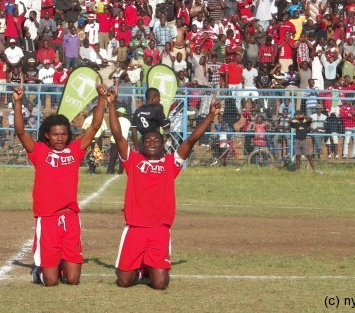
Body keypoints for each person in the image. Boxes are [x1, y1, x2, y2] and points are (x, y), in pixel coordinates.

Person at [109, 88, 221, 290]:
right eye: (148, 141)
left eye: (156, 140)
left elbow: (191, 140)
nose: (151, 142)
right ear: (142, 146)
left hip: (159, 230)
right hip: (135, 229)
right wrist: (111, 104)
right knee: (124, 282)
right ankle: (139, 267)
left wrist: (211, 115)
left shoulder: (170, 163)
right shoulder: (133, 161)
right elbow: (118, 136)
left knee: (160, 284)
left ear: (163, 145)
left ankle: (146, 267)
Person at [12, 82, 107, 287]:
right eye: (55, 134)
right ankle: (40, 270)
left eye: (64, 134)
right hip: (47, 218)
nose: (60, 138)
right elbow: (20, 132)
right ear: (47, 134)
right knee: (51, 282)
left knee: (73, 280)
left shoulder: (74, 151)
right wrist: (18, 103)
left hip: (70, 217)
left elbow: (95, 126)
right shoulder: (39, 152)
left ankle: (62, 261)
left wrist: (101, 98)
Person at [107, 107, 131, 174]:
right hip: (123, 141)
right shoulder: (128, 121)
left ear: (119, 113)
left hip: (115, 141)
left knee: (113, 157)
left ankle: (110, 171)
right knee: (122, 158)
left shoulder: (116, 120)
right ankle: (120, 171)